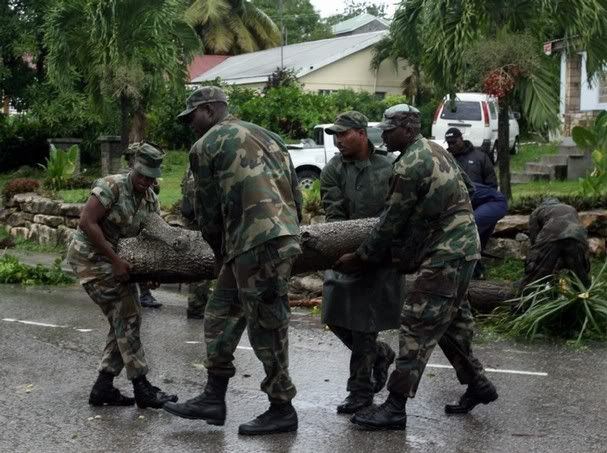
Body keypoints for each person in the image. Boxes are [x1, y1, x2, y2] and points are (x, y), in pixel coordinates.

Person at [334, 104, 498, 431]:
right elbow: (467, 190)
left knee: (417, 324)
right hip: (462, 248)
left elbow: (389, 224)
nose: (384, 133)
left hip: (447, 253)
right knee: (449, 323)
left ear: (408, 129)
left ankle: (395, 406)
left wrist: (361, 257)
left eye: (390, 128)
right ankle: (479, 385)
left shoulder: (408, 166)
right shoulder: (436, 150)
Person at [163, 87, 303, 435]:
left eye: (191, 116)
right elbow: (295, 191)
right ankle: (214, 396)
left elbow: (207, 212)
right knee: (219, 313)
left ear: (209, 110)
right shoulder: (269, 136)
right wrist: (290, 233)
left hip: (257, 244)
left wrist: (217, 253)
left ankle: (281, 407)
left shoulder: (205, 145)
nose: (189, 124)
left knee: (266, 326)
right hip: (264, 240)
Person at [66, 142, 177, 409]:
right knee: (128, 315)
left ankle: (103, 388)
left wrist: (149, 272)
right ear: (133, 168)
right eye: (141, 175)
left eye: (150, 177)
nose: (144, 181)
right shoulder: (111, 186)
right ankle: (142, 387)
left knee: (123, 318)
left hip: (115, 260)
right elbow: (86, 222)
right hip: (90, 259)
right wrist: (115, 260)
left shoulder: (150, 200)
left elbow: (147, 239)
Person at [319, 111, 401, 414]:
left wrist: (371, 252)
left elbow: (396, 212)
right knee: (333, 316)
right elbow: (334, 216)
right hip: (345, 252)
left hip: (381, 256)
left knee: (364, 325)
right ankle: (381, 355)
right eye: (335, 136)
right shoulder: (333, 170)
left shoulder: (390, 166)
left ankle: (360, 391)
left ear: (362, 133)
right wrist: (346, 252)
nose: (338, 141)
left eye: (343, 134)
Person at [445, 127, 506, 278]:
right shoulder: (447, 159)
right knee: (468, 239)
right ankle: (474, 273)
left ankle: (474, 272)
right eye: (448, 143)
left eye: (453, 142)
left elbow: (492, 184)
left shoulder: (480, 157)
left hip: (483, 204)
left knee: (475, 239)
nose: (451, 145)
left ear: (461, 139)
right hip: (459, 206)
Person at [520, 198, 591, 289]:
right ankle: (582, 293)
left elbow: (534, 237)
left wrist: (537, 257)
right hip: (577, 236)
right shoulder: (570, 208)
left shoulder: (537, 211)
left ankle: (529, 292)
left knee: (538, 268)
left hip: (551, 234)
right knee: (578, 270)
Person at [123, 145, 162, 309]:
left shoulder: (151, 197)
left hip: (134, 239)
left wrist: (154, 272)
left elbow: (155, 233)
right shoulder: (117, 185)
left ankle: (145, 294)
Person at [180, 163, 211, 319]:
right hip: (200, 220)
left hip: (193, 217)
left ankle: (199, 302)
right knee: (201, 262)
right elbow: (193, 192)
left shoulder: (193, 162)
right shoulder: (202, 163)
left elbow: (184, 186)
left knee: (199, 261)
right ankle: (197, 305)